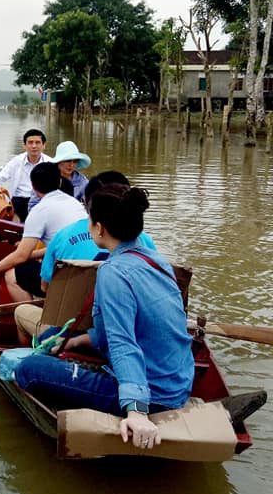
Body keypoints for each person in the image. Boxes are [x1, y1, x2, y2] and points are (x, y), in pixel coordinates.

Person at [14, 183, 194, 452]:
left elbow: (123, 342)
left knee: (27, 369)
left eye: (89, 219)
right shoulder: (157, 261)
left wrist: (136, 411)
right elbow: (125, 329)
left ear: (99, 228)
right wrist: (77, 342)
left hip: (153, 395)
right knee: (55, 337)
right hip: (176, 381)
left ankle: (96, 409)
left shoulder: (114, 273)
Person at [15, 170, 156, 344]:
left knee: (20, 312)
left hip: (74, 329)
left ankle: (31, 358)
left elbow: (45, 288)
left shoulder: (63, 236)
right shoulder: (147, 246)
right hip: (131, 332)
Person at [0, 162, 86, 302]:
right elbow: (59, 243)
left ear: (33, 187)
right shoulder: (76, 204)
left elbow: (20, 256)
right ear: (60, 181)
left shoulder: (40, 210)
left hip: (67, 277)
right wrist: (32, 255)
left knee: (11, 275)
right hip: (89, 272)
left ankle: (31, 317)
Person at [0, 129, 53, 221]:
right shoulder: (16, 161)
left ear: (43, 145)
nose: (34, 146)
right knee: (13, 224)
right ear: (24, 146)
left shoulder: (51, 163)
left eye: (37, 142)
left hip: (41, 200)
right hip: (18, 200)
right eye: (30, 142)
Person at [26, 140, 92, 212]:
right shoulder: (44, 177)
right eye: (68, 161)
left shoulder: (83, 182)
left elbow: (89, 207)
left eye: (75, 161)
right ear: (59, 161)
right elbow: (32, 206)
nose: (71, 165)